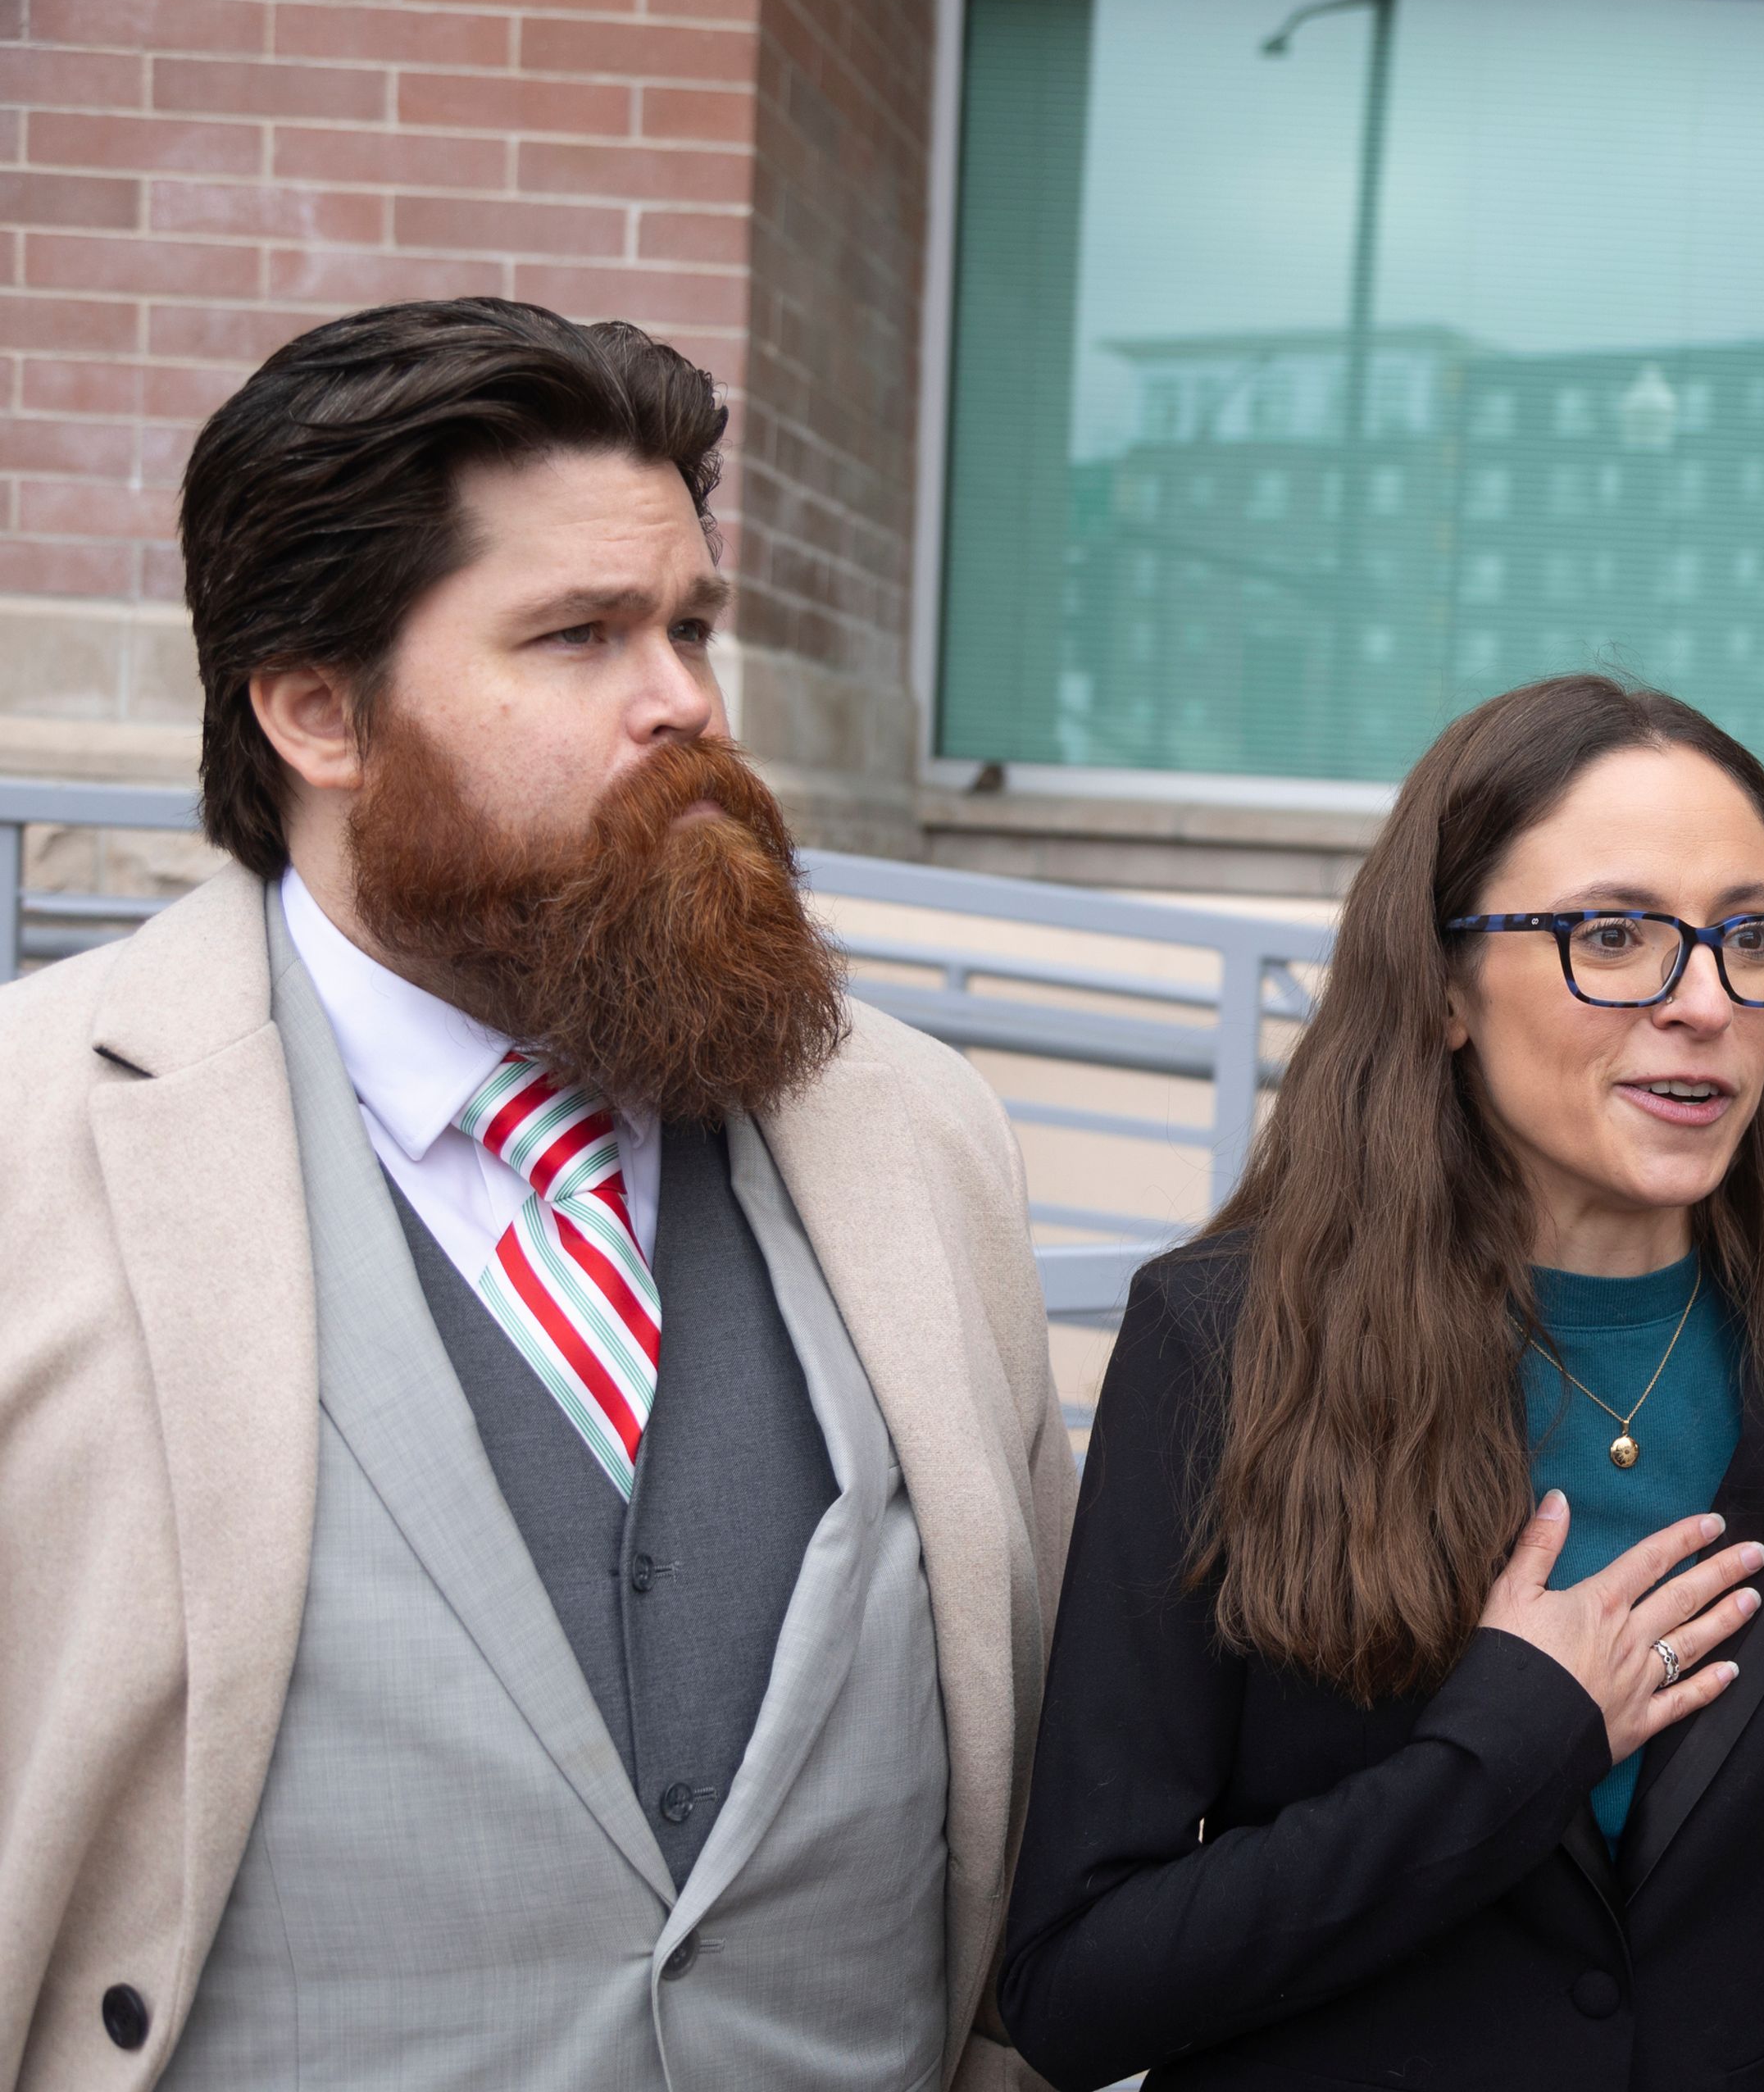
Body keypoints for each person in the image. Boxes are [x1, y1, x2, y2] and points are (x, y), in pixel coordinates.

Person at [0, 300, 1071, 2090]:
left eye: (691, 626)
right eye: (581, 635)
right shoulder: (29, 1149)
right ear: (316, 711)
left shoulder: (920, 1130)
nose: (689, 702)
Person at [996, 675, 1764, 2091]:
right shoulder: (1227, 1343)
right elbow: (1076, 1987)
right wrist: (1505, 1749)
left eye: (1749, 936)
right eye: (1616, 935)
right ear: (1448, 987)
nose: (1705, 1001)